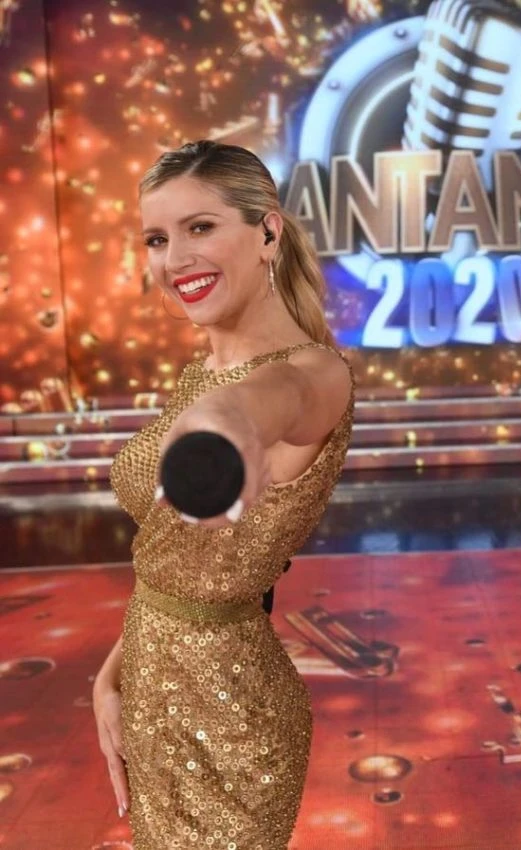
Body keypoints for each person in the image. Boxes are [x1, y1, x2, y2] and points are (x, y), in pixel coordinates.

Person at [91, 140, 354, 849]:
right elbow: (182, 569)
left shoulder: (315, 372)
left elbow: (272, 399)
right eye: (156, 239)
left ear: (268, 232)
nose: (174, 259)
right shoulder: (199, 371)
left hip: (230, 724)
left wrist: (225, 425)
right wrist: (113, 674)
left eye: (200, 227)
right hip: (150, 694)